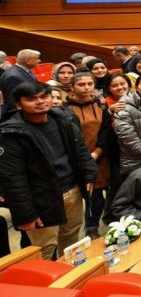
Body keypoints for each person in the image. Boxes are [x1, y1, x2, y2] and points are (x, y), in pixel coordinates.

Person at [0, 81, 96, 259]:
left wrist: (89, 174)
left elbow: (80, 149)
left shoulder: (63, 119)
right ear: (19, 104)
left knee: (72, 240)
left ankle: (69, 279)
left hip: (72, 190)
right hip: (41, 198)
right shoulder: (10, 133)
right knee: (43, 249)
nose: (40, 101)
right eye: (31, 99)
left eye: (44, 96)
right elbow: (13, 178)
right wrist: (26, 214)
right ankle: (48, 285)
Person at [64, 72, 111, 240]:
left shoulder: (100, 105)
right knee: (87, 195)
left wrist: (97, 152)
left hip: (101, 156)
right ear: (72, 87)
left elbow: (106, 130)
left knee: (98, 194)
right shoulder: (64, 109)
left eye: (90, 84)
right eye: (81, 84)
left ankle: (92, 227)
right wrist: (86, 156)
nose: (86, 88)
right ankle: (83, 230)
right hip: (77, 158)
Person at [0, 49, 41, 114]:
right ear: (28, 61)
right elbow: (13, 102)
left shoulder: (24, 71)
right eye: (37, 59)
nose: (39, 61)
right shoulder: (14, 77)